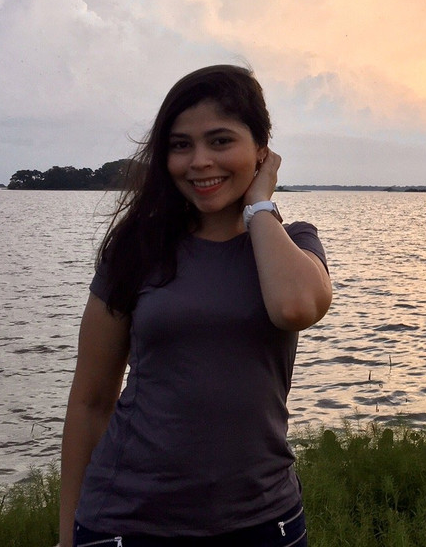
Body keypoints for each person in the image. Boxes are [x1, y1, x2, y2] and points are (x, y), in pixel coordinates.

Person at [57, 64, 332, 547]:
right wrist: (65, 535)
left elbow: (295, 308)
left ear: (262, 150)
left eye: (221, 141)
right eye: (181, 145)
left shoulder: (294, 243)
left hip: (265, 522)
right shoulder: (137, 249)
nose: (199, 161)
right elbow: (90, 401)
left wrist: (260, 204)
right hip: (127, 521)